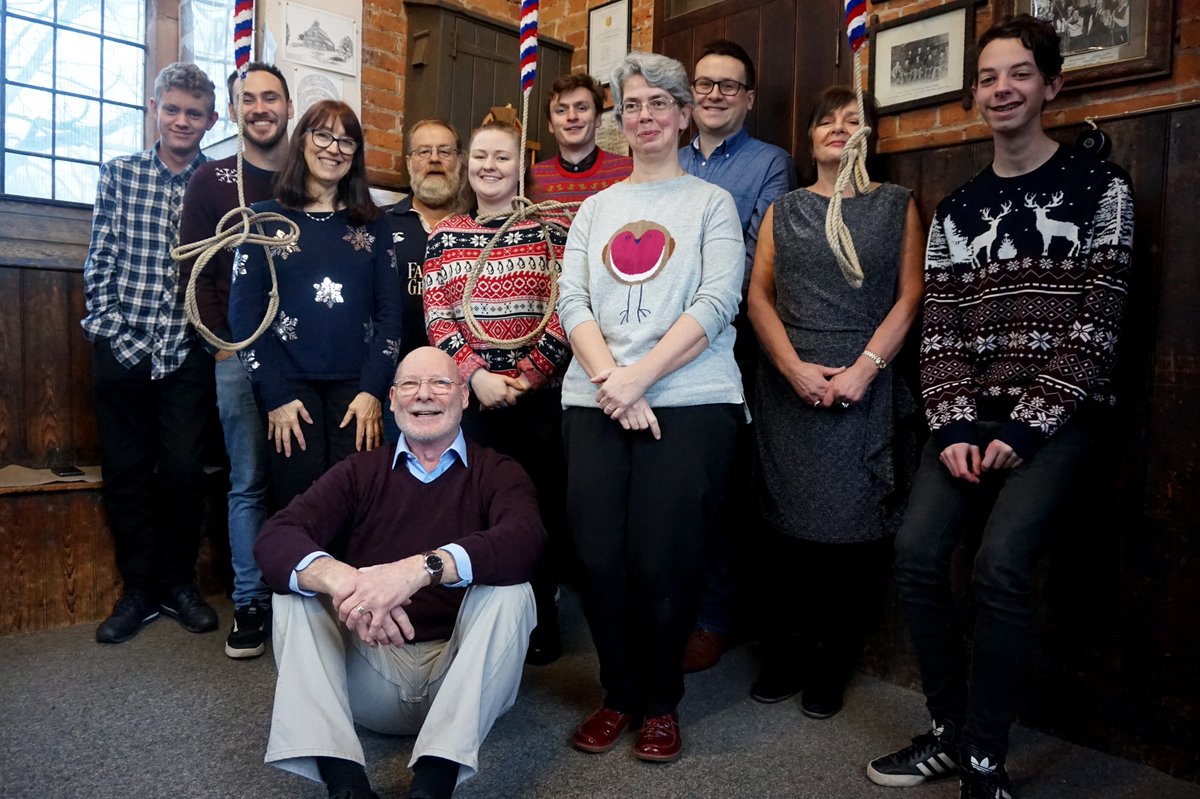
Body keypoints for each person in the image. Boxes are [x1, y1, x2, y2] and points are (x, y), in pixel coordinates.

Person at [866, 16, 1134, 799]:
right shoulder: (956, 208)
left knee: (1000, 566)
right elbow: (939, 329)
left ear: (1051, 86)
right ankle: (951, 731)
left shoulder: (1100, 190)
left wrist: (1027, 424)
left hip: (1061, 417)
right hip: (966, 418)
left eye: (1019, 73)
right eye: (988, 77)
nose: (1002, 88)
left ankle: (985, 758)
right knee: (916, 557)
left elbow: (1100, 321)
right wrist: (951, 424)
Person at [254, 346, 544, 799]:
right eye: (410, 384)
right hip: (370, 677)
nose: (424, 395)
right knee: (294, 589)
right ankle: (344, 782)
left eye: (440, 383)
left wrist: (421, 569)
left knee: (513, 593)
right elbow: (275, 538)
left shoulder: (498, 472)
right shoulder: (358, 472)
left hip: (463, 680)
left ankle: (435, 782)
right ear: (392, 400)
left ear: (464, 397)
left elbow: (526, 541)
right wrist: (351, 583)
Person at [559, 51, 744, 762]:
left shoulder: (711, 204)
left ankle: (661, 701)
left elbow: (717, 300)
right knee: (600, 557)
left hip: (691, 399)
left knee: (664, 559)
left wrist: (642, 379)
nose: (645, 117)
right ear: (620, 120)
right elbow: (572, 300)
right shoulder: (595, 209)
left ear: (684, 114)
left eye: (659, 104)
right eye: (632, 106)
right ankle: (617, 693)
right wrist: (613, 379)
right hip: (595, 397)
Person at [746, 86, 924, 719]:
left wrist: (866, 370)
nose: (838, 129)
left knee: (850, 535)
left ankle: (832, 660)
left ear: (868, 137)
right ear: (811, 136)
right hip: (789, 385)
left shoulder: (895, 206)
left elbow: (909, 296)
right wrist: (792, 368)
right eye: (826, 120)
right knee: (785, 535)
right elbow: (758, 298)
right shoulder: (783, 211)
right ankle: (787, 652)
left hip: (863, 383)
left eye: (853, 121)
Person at [422, 121, 571, 666]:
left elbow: (567, 307)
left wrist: (528, 375)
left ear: (519, 165)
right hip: (474, 399)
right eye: (480, 155)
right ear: (467, 163)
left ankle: (540, 617)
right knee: (476, 507)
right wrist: (475, 376)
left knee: (537, 509)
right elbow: (438, 317)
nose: (490, 166)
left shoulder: (550, 227)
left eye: (502, 157)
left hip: (538, 400)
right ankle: (478, 619)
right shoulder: (444, 235)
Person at [82, 62, 220, 644]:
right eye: (173, 109)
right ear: (155, 109)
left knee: (186, 472)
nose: (182, 120)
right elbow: (100, 258)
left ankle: (177, 583)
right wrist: (111, 330)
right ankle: (137, 589)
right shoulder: (120, 174)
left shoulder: (217, 183)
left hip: (187, 350)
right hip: (125, 344)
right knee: (128, 471)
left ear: (211, 120)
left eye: (194, 112)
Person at [678, 38, 797, 673]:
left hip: (731, 344)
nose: (715, 94)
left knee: (720, 487)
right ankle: (672, 605)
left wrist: (689, 303)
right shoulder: (665, 159)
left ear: (748, 98)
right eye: (705, 83)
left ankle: (715, 616)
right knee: (670, 487)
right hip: (659, 349)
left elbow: (757, 259)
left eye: (728, 85)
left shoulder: (770, 164)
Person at [228, 100, 402, 511]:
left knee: (358, 505)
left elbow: (390, 317)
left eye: (346, 141)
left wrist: (373, 390)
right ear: (302, 140)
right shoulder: (262, 220)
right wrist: (273, 393)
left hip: (357, 389)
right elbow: (243, 317)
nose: (333, 148)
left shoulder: (375, 224)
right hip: (288, 390)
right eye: (322, 135)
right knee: (297, 507)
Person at [177, 62, 294, 659]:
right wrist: (223, 344)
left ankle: (298, 595)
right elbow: (193, 269)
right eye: (247, 99)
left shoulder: (304, 180)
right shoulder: (212, 180)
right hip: (238, 352)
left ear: (288, 107)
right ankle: (250, 602)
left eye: (270, 97)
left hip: (299, 354)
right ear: (234, 110)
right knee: (247, 480)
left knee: (299, 479)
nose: (259, 107)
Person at [387, 119, 466, 368]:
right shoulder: (378, 225)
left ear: (460, 162)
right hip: (394, 380)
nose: (434, 159)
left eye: (445, 151)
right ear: (409, 163)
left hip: (469, 380)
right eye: (423, 151)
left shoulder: (481, 228)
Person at [528, 72, 632, 206]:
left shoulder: (630, 172)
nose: (572, 116)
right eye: (561, 110)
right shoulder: (530, 179)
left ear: (598, 118)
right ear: (550, 124)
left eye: (582, 108)